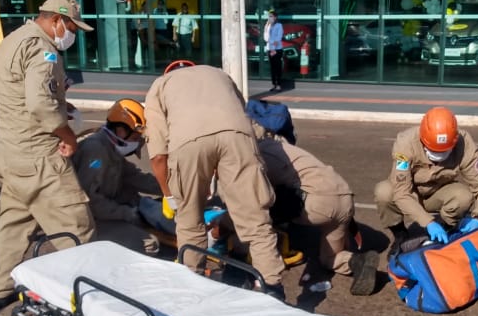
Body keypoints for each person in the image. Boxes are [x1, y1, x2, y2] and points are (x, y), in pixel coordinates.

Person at [0, 0, 96, 309]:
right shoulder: (42, 49)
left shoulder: (13, 40)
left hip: (10, 150)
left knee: (15, 222)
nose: (72, 35)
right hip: (39, 156)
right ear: (56, 19)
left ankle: (0, 287)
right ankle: (89, 297)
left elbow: (23, 95)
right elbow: (39, 104)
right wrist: (68, 135)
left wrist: (61, 103)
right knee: (76, 227)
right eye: (71, 28)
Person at [143, 62, 287, 300]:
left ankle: (192, 286)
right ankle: (272, 288)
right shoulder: (219, 74)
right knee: (255, 220)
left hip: (188, 145)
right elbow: (238, 115)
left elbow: (158, 156)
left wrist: (170, 196)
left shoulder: (160, 85)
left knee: (190, 222)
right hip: (238, 136)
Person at [253, 125, 379, 295]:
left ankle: (274, 249)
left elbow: (256, 197)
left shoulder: (258, 155)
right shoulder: (283, 146)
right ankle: (357, 261)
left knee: (258, 206)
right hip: (345, 199)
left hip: (318, 204)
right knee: (329, 258)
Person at [374, 106, 478, 246]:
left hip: (439, 192)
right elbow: (401, 191)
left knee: (463, 197)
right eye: (433, 151)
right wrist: (428, 222)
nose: (438, 157)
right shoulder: (405, 144)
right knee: (384, 192)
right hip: (411, 193)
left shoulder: (463, 143)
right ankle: (400, 235)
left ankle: (446, 228)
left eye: (444, 151)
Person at [72, 98, 162, 256]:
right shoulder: (96, 151)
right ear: (121, 130)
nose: (137, 143)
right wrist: (125, 213)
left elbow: (135, 177)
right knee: (149, 244)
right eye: (135, 138)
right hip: (87, 221)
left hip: (102, 213)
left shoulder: (110, 147)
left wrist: (170, 188)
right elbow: (89, 200)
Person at [263, 9, 284, 91]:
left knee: (278, 67)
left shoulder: (279, 25)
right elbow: (265, 38)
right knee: (272, 67)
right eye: (269, 16)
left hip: (277, 49)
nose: (270, 18)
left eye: (271, 16)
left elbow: (279, 37)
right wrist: (271, 41)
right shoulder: (267, 26)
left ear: (275, 17)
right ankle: (273, 84)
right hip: (270, 49)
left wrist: (272, 42)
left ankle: (279, 84)